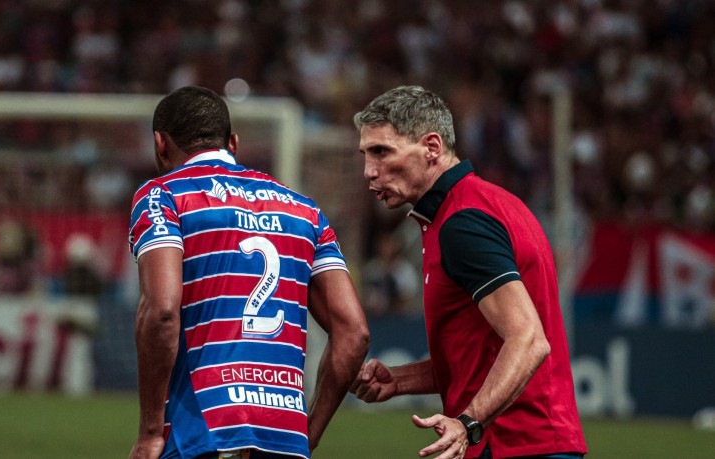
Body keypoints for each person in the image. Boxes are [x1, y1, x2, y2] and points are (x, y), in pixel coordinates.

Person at [127, 86, 369, 459]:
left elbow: (160, 311)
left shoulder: (163, 196)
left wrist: (148, 432)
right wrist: (310, 432)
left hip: (203, 431)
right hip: (285, 435)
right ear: (234, 143)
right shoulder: (304, 209)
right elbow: (353, 333)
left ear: (161, 145)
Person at [349, 85, 586, 459]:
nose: (369, 171)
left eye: (382, 152)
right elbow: (479, 356)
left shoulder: (463, 223)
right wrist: (399, 380)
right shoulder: (483, 205)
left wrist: (469, 422)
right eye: (365, 154)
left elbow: (528, 339)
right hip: (531, 441)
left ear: (431, 147)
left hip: (515, 444)